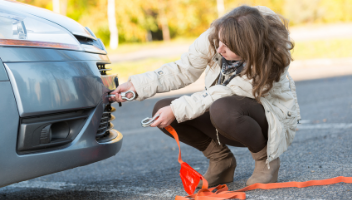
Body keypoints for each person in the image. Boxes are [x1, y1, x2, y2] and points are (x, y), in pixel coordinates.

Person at [109, 5, 301, 187]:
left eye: (228, 46)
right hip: (225, 109)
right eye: (220, 42)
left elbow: (225, 92)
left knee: (222, 109)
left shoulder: (272, 58)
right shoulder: (219, 34)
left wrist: (176, 109)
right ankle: (221, 161)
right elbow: (183, 69)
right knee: (162, 109)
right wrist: (136, 86)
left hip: (266, 120)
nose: (219, 49)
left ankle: (265, 160)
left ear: (248, 46)